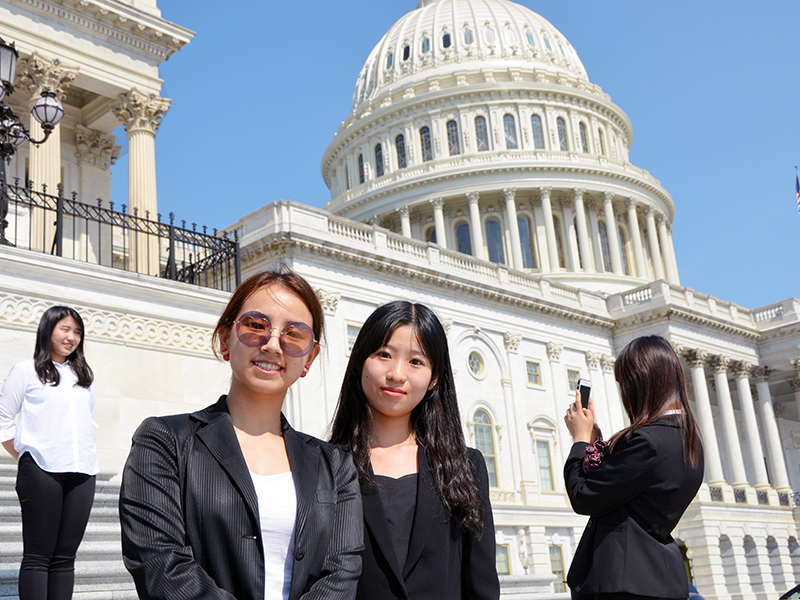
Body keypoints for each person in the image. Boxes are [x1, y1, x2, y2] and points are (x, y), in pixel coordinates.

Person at [119, 268, 363, 600]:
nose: (273, 344)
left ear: (309, 358)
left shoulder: (335, 465)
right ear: (225, 339)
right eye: (255, 326)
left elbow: (341, 574)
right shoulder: (165, 441)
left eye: (294, 334)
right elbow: (161, 565)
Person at [330, 300, 500, 600]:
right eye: (384, 355)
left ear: (434, 377)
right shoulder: (326, 465)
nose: (396, 374)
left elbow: (481, 583)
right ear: (360, 362)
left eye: (416, 361)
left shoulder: (466, 467)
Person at [563, 335, 704, 600]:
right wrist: (596, 442)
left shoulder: (647, 442)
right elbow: (627, 491)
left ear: (641, 384)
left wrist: (579, 441)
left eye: (624, 384)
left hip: (623, 582)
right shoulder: (688, 441)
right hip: (660, 578)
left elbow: (583, 497)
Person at [0, 306, 98, 600]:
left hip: (82, 471)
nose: (72, 337)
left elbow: (86, 419)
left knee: (65, 557)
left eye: (77, 332)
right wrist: (26, 457)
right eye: (65, 329)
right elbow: (3, 419)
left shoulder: (84, 376)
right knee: (38, 555)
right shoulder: (25, 370)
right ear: (48, 330)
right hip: (41, 469)